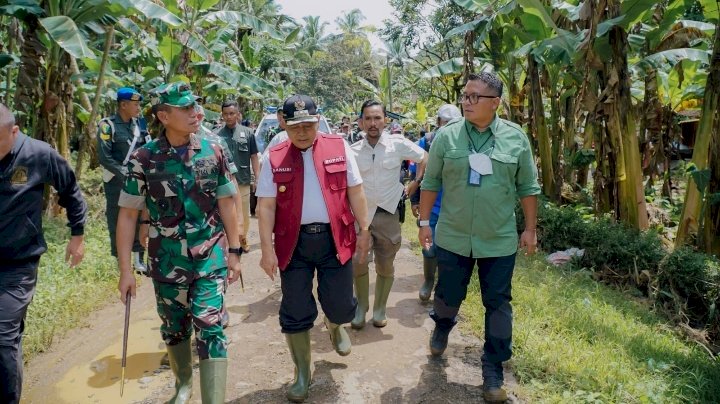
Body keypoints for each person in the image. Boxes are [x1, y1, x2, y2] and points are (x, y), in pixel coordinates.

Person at [116, 82, 243, 404]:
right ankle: (183, 384)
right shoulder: (144, 159)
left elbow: (228, 202)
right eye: (185, 109)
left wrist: (234, 251)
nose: (194, 113)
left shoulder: (212, 150)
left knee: (210, 323)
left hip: (209, 254)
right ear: (164, 116)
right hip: (167, 259)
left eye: (194, 106)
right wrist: (126, 270)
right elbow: (128, 215)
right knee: (174, 328)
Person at [418, 72, 540, 403]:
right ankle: (442, 326)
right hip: (453, 236)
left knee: (498, 302)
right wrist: (425, 222)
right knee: (448, 294)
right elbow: (431, 182)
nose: (466, 102)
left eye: (474, 97)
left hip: (498, 240)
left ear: (495, 103)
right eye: (465, 96)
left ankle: (493, 369)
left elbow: (528, 187)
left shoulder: (515, 138)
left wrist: (530, 229)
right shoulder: (447, 137)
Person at [256, 94, 370, 403]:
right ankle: (302, 373)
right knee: (294, 310)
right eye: (296, 126)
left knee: (342, 304)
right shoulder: (275, 155)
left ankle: (335, 325)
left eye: (308, 125)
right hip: (293, 244)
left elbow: (356, 191)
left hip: (336, 239)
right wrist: (266, 249)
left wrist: (365, 229)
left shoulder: (338, 147)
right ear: (285, 124)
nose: (303, 132)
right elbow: (265, 207)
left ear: (317, 121)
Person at [0, 103, 87, 404]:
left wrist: (77, 235)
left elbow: (71, 191)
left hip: (17, 263)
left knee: (2, 335)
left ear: (15, 131)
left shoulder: (38, 154)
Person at [349, 100, 427, 330]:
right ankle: (360, 308)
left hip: (388, 213)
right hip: (361, 216)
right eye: (368, 119)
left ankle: (380, 309)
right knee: (358, 262)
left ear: (385, 120)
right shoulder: (351, 151)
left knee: (385, 264)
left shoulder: (398, 144)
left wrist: (415, 183)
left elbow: (425, 158)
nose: (373, 123)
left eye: (377, 118)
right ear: (361, 122)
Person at [410, 104, 462, 302]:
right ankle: (428, 281)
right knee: (429, 248)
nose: (448, 126)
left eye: (452, 123)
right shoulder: (427, 142)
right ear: (438, 122)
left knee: (450, 250)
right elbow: (417, 173)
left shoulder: (466, 140)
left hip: (456, 207)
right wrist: (415, 200)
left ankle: (443, 287)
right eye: (444, 122)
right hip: (432, 205)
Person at [97, 87, 150, 273]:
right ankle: (121, 260)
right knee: (117, 219)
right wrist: (125, 174)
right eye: (135, 104)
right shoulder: (107, 125)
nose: (138, 108)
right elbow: (104, 157)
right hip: (116, 181)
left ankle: (139, 260)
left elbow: (147, 149)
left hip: (139, 179)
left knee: (140, 219)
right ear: (123, 105)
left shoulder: (140, 125)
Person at [215, 101, 259, 251]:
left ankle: (243, 237)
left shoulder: (248, 133)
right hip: (224, 182)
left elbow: (254, 156)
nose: (229, 117)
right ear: (222, 115)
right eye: (226, 114)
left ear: (238, 114)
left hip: (243, 180)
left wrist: (256, 178)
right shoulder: (217, 136)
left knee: (244, 216)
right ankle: (230, 241)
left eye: (232, 113)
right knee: (225, 213)